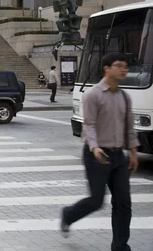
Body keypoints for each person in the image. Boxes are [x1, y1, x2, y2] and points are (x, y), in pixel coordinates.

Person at [60, 52, 139, 250]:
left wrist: (134, 153)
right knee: (96, 201)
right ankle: (69, 214)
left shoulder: (125, 97)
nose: (124, 70)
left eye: (126, 67)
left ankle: (120, 246)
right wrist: (95, 147)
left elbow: (129, 128)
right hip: (96, 155)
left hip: (118, 156)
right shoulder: (93, 95)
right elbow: (90, 126)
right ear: (107, 68)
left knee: (123, 203)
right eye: (119, 65)